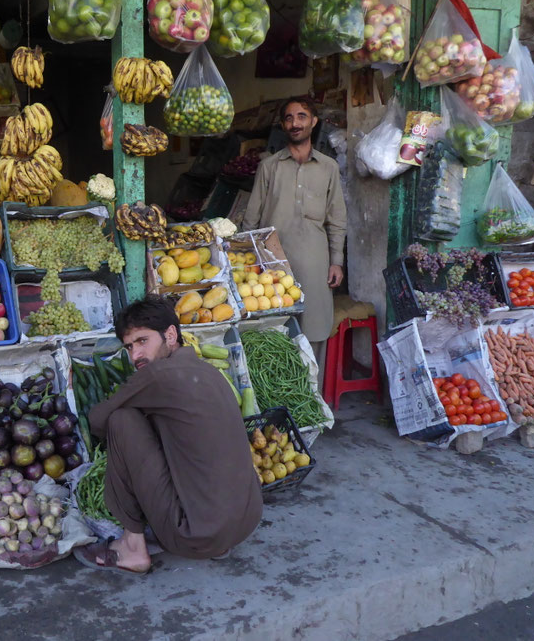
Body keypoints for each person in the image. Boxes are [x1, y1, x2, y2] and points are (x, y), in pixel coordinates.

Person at [74, 296, 262, 575]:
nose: (135, 355)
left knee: (121, 420)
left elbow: (98, 420)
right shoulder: (209, 372)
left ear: (171, 335)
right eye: (128, 346)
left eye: (142, 341)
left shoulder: (159, 374)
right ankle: (217, 541)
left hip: (194, 537)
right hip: (245, 524)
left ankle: (132, 548)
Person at [240, 96, 347, 380]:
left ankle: (313, 402)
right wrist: (241, 261)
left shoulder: (329, 168)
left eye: (301, 116)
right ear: (283, 125)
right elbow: (251, 218)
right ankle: (280, 403)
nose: (295, 123)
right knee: (274, 329)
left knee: (313, 329)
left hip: (314, 262)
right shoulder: (269, 166)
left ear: (313, 121)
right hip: (272, 262)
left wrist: (337, 262)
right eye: (289, 118)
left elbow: (337, 219)